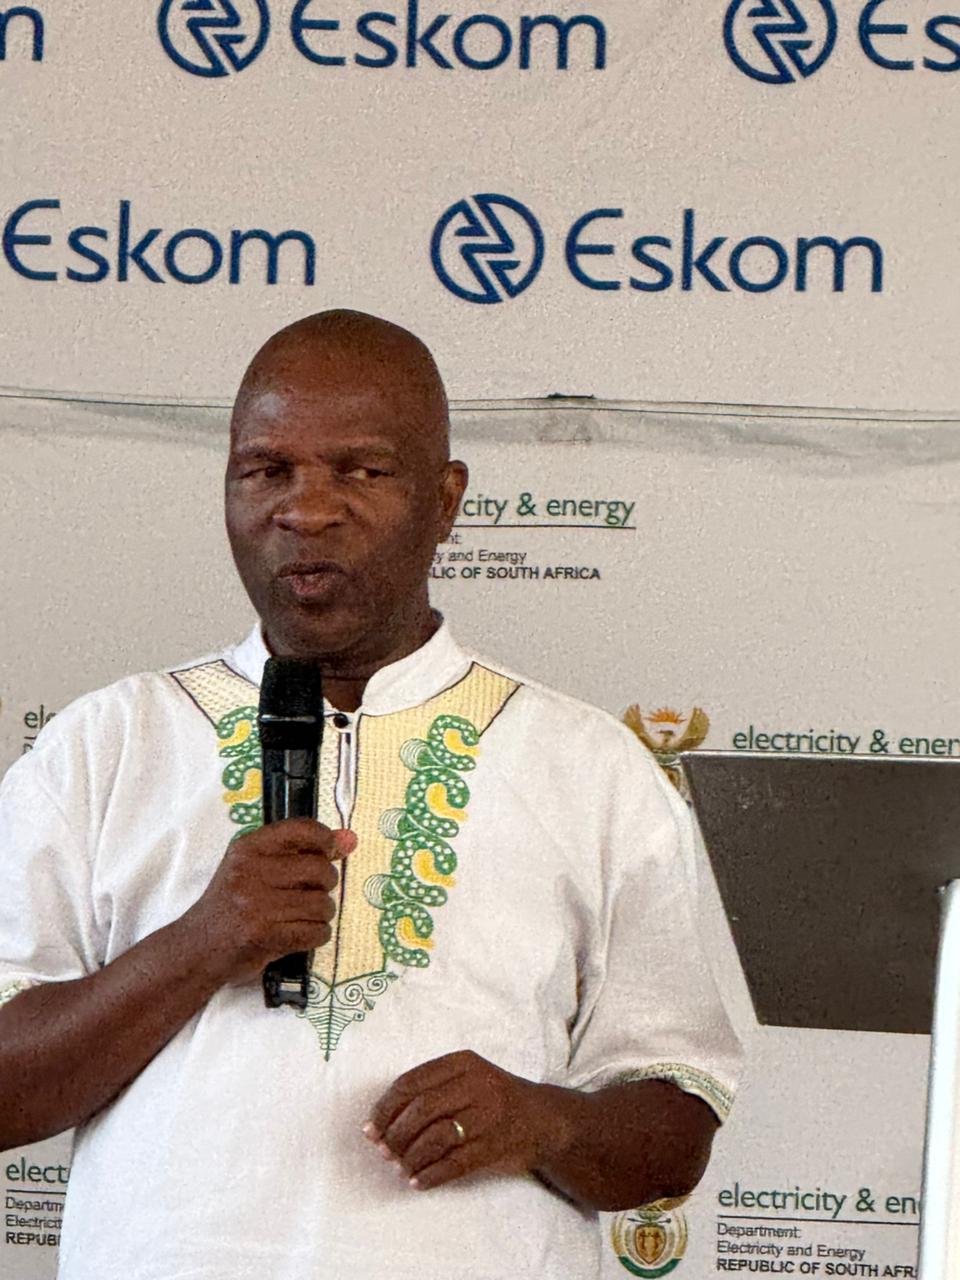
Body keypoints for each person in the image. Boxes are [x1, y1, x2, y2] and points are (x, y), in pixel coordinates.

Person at [0, 310, 741, 1279]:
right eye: (267, 470)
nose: (307, 510)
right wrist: (200, 943)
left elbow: (674, 1129)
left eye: (362, 470)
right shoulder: (104, 745)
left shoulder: (589, 766)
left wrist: (544, 1121)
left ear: (446, 499)